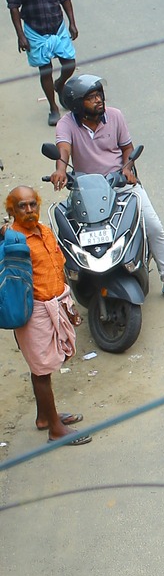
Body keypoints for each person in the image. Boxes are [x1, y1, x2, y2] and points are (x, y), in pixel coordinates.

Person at [53, 75, 164, 302]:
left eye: (99, 95)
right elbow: (63, 150)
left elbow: (128, 148)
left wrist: (128, 169)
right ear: (77, 104)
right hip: (88, 192)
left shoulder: (115, 116)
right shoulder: (66, 124)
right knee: (69, 234)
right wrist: (60, 169)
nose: (98, 100)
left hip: (120, 184)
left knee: (154, 227)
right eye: (91, 97)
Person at [3, 184, 89, 446]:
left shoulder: (45, 231)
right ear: (12, 210)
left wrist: (67, 304)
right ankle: (55, 430)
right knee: (41, 371)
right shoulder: (12, 240)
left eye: (32, 204)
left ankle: (44, 417)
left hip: (55, 304)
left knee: (41, 367)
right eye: (22, 206)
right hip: (35, 313)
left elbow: (57, 265)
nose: (28, 210)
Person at [6, 0, 77, 125]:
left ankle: (59, 84)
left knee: (69, 63)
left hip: (58, 26)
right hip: (35, 31)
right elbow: (13, 7)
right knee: (45, 70)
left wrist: (72, 22)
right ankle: (53, 108)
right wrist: (20, 35)